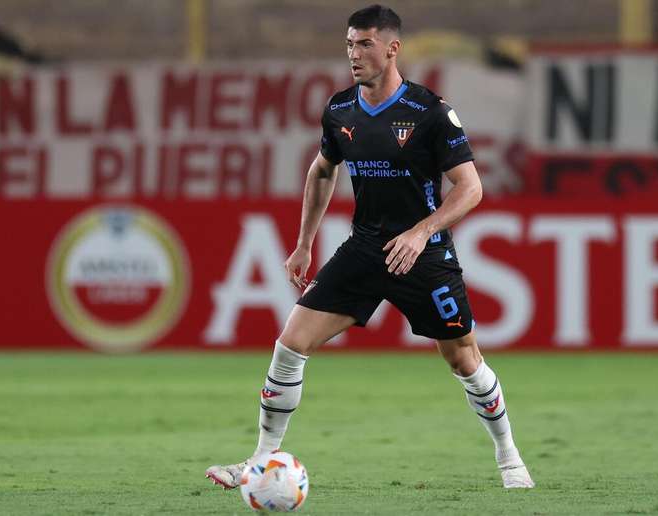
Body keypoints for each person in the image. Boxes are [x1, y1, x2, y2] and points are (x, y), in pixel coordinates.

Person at [206, 4, 534, 490]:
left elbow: (470, 188)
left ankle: (510, 458)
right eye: (349, 45)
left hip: (423, 256)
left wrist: (422, 230)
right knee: (290, 346)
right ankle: (259, 462)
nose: (353, 55)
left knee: (463, 359)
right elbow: (322, 170)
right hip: (364, 250)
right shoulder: (340, 109)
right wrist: (303, 243)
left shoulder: (430, 113)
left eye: (363, 44)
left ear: (392, 48)